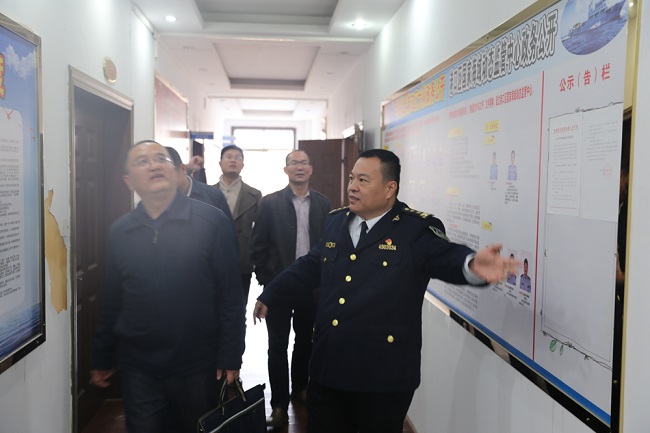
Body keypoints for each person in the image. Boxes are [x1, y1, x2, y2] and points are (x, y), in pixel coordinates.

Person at [253, 149, 519, 433]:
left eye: (363, 180)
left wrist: (471, 264)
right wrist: (271, 294)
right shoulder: (335, 221)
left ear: (390, 188)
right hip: (328, 368)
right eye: (352, 178)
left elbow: (443, 256)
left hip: (382, 377)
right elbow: (310, 266)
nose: (352, 186)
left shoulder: (414, 229)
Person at [91, 140, 246, 433]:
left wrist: (231, 354)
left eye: (161, 158)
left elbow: (231, 296)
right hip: (140, 368)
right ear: (129, 181)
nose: (154, 165)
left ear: (176, 171)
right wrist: (102, 354)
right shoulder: (121, 232)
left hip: (198, 365)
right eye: (142, 161)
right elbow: (113, 299)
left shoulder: (211, 222)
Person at [251, 149, 331, 429]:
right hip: (279, 287)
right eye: (293, 163)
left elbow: (329, 246)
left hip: (312, 287)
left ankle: (300, 388)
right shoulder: (270, 203)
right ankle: (278, 405)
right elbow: (258, 246)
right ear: (285, 170)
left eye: (304, 162)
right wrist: (268, 282)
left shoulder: (323, 203)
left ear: (311, 169)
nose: (299, 167)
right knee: (277, 346)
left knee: (306, 341)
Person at [214, 145, 262, 302]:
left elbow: (260, 231)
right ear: (220, 162)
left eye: (238, 158)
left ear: (242, 165)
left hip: (242, 261)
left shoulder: (254, 195)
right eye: (228, 157)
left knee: (239, 306)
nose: (233, 160)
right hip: (212, 260)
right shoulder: (208, 192)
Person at [165, 146, 233, 221]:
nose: (164, 183)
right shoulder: (159, 201)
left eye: (168, 175)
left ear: (183, 169)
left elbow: (227, 227)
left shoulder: (213, 196)